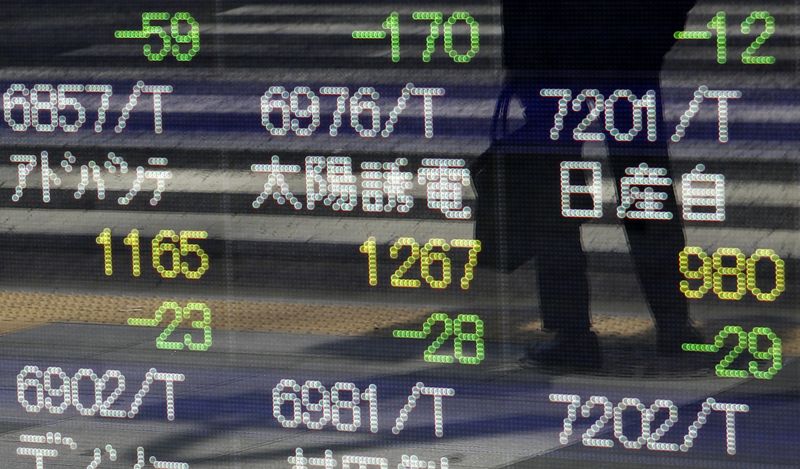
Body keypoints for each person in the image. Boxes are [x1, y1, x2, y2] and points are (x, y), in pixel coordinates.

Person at [474, 1, 702, 368]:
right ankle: (674, 326)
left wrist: (519, 59)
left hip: (552, 54)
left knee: (554, 196)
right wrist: (656, 30)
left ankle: (572, 334)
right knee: (644, 188)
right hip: (623, 49)